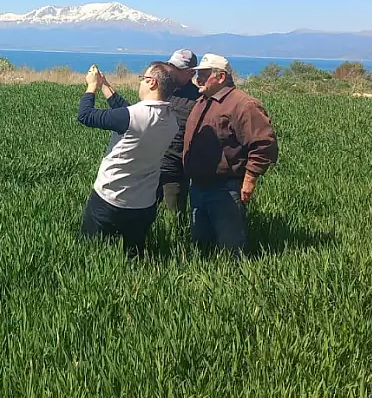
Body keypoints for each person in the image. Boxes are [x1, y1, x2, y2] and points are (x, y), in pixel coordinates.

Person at [77, 62, 180, 258]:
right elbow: (129, 114)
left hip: (110, 199)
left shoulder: (133, 117)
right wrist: (104, 85)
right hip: (144, 203)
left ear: (152, 82)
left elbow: (85, 115)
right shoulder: (171, 121)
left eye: (143, 78)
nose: (140, 82)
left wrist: (91, 86)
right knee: (134, 257)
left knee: (92, 254)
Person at [183, 54, 278, 255]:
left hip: (225, 187)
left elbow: (263, 144)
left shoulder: (243, 105)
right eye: (198, 74)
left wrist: (250, 178)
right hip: (198, 186)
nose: (198, 79)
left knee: (231, 246)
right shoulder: (203, 101)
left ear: (221, 77)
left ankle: (234, 281)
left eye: (204, 74)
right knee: (202, 246)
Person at [157, 49, 201, 220]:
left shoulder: (197, 99)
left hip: (175, 171)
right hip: (149, 166)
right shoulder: (160, 90)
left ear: (191, 73)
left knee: (174, 217)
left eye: (177, 68)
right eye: (170, 66)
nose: (171, 70)